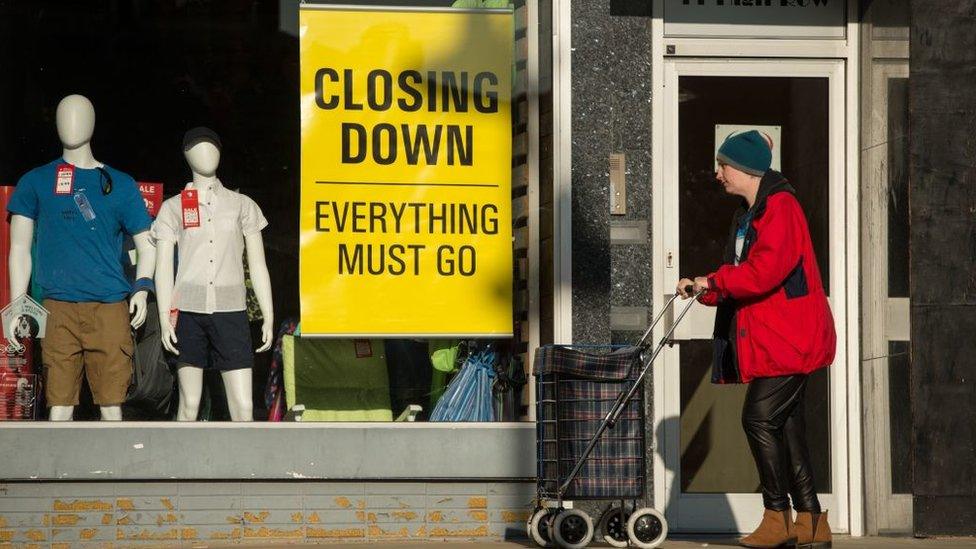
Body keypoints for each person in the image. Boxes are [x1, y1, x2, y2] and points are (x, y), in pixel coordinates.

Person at [678, 130, 836, 549]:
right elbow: (742, 275)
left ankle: (776, 517)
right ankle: (811, 523)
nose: (717, 174)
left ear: (745, 169)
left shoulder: (780, 208)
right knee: (786, 425)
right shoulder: (750, 214)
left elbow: (766, 271)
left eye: (723, 166)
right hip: (777, 338)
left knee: (758, 418)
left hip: (791, 338)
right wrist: (705, 288)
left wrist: (714, 280)